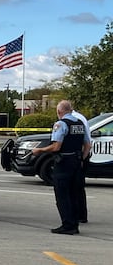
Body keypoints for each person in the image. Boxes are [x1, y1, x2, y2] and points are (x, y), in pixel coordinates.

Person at [32, 100, 91, 234]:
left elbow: (56, 146)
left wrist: (40, 150)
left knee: (62, 195)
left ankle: (68, 225)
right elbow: (88, 145)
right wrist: (81, 158)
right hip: (76, 161)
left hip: (64, 162)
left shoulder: (61, 124)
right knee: (73, 193)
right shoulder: (80, 124)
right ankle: (74, 223)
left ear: (59, 111)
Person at [70, 107, 91, 223]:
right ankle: (80, 214)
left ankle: (79, 214)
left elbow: (86, 142)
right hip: (80, 155)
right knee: (78, 187)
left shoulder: (75, 119)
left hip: (78, 156)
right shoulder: (79, 118)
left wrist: (82, 159)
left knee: (75, 187)